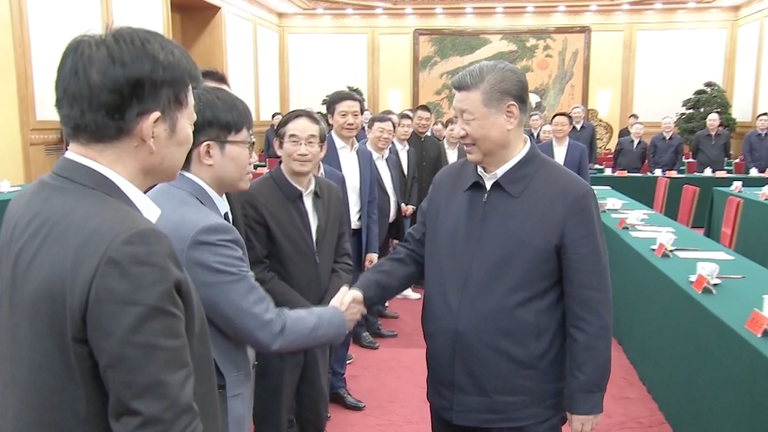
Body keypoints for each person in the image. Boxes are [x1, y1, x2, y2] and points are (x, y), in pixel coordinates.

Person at [340, 60, 612, 432]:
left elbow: (590, 306)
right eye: (454, 118)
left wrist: (585, 394)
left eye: (467, 118)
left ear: (510, 114)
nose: (457, 130)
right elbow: (413, 252)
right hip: (448, 391)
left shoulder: (568, 196)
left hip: (524, 403)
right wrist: (362, 292)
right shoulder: (450, 181)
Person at [0, 28, 222, 431]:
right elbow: (157, 419)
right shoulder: (131, 246)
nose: (191, 134)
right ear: (153, 128)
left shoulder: (30, 200)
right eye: (190, 121)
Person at [149, 89, 359, 432]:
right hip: (209, 388)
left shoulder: (162, 197)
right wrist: (334, 317)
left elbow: (340, 255)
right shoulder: (207, 227)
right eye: (247, 146)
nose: (254, 158)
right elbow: (266, 323)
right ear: (207, 151)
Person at [241, 109, 357, 432]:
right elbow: (258, 270)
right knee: (275, 416)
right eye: (294, 141)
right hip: (279, 327)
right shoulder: (255, 198)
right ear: (278, 145)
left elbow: (343, 257)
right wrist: (313, 315)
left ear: (323, 149)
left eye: (311, 142)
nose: (302, 150)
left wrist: (326, 309)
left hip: (320, 327)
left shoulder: (331, 192)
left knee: (314, 413)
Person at [323, 90, 379, 410]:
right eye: (343, 114)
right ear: (330, 117)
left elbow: (370, 202)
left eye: (356, 114)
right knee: (324, 311)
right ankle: (315, 387)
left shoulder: (364, 154)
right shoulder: (321, 148)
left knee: (347, 314)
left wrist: (371, 246)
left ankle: (337, 382)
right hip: (327, 246)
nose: (350, 120)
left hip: (357, 242)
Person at [538, 112, 590, 182]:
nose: (559, 128)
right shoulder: (540, 149)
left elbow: (584, 176)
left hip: (572, 190)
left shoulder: (580, 149)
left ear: (570, 127)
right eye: (556, 125)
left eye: (563, 125)